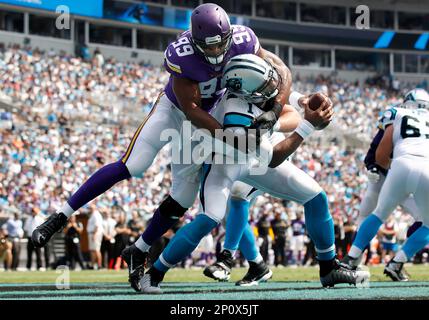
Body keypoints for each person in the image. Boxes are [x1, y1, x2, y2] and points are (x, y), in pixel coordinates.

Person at [31, 3, 296, 292]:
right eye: (209, 47)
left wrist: (276, 109)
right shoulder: (182, 54)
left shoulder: (244, 39)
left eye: (222, 44)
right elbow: (192, 109)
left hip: (212, 113)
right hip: (176, 111)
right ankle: (60, 216)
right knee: (134, 164)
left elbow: (282, 71)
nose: (217, 52)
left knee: (183, 196)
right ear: (194, 41)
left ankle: (139, 249)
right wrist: (224, 135)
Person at [140, 54, 368, 293]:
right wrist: (308, 125)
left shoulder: (251, 91)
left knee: (316, 197)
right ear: (247, 89)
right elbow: (273, 158)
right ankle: (154, 274)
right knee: (209, 218)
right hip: (224, 164)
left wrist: (303, 105)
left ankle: (328, 267)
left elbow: (286, 112)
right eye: (265, 81)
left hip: (252, 158)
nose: (272, 85)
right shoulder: (237, 112)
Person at [343, 89, 429, 282]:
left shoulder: (397, 112)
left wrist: (379, 167)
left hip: (399, 165)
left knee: (379, 213)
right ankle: (397, 263)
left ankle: (351, 258)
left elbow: (381, 150)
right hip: (426, 168)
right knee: (428, 224)